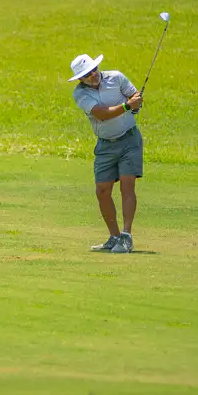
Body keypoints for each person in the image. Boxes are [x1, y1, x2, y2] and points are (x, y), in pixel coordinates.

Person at [68, 53, 144, 254]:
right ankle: (114, 236)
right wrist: (128, 106)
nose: (93, 75)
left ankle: (126, 237)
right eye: (87, 74)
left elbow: (134, 95)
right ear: (80, 79)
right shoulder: (80, 94)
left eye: (93, 70)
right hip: (105, 145)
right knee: (102, 190)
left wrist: (137, 102)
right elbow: (101, 114)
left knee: (127, 185)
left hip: (129, 140)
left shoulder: (116, 77)